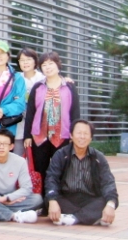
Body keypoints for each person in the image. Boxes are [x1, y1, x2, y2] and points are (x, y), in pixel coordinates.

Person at [45, 119, 119, 226]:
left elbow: (108, 182)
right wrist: (52, 200)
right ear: (71, 135)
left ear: (91, 138)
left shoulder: (98, 157)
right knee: (50, 200)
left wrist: (110, 204)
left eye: (86, 134)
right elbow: (51, 178)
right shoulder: (61, 155)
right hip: (67, 198)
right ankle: (90, 217)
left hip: (90, 199)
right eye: (79, 133)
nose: (82, 137)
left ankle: (73, 218)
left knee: (106, 202)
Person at [24, 51, 80, 183]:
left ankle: (57, 194)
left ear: (58, 65)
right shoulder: (38, 87)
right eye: (44, 65)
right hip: (39, 136)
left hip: (63, 136)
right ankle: (42, 195)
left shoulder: (69, 87)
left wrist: (75, 135)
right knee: (40, 170)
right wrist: (27, 136)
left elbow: (75, 112)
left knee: (61, 170)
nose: (48, 67)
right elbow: (30, 112)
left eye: (51, 63)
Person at [14, 48, 44, 155]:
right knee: (17, 156)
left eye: (28, 59)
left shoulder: (43, 78)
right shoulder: (15, 79)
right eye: (22, 60)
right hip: (20, 123)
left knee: (37, 158)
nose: (25, 62)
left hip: (39, 124)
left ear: (35, 61)